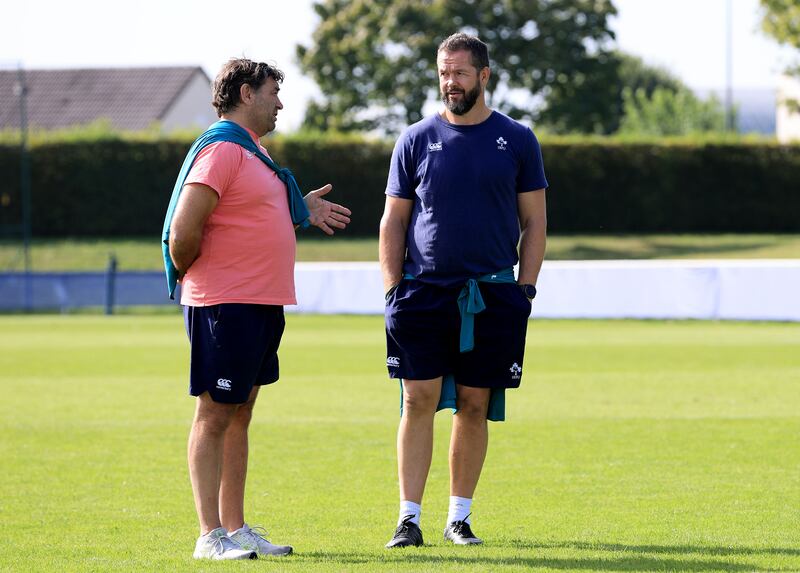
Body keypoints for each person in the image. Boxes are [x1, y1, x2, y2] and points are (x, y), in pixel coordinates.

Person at [162, 58, 351, 560]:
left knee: (240, 413)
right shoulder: (223, 150)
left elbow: (253, 215)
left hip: (260, 303)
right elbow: (184, 232)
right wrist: (207, 281)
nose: (280, 103)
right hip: (227, 304)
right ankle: (210, 536)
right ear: (247, 94)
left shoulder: (254, 154)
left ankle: (235, 526)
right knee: (214, 413)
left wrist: (301, 207)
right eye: (273, 93)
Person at [380, 33, 548, 548]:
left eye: (459, 73)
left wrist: (525, 290)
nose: (449, 83)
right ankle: (409, 519)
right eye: (443, 73)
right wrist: (392, 289)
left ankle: (459, 517)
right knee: (419, 399)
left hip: (493, 295)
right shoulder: (414, 139)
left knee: (475, 403)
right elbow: (393, 221)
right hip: (422, 294)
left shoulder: (517, 139)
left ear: (484, 76)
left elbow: (535, 222)